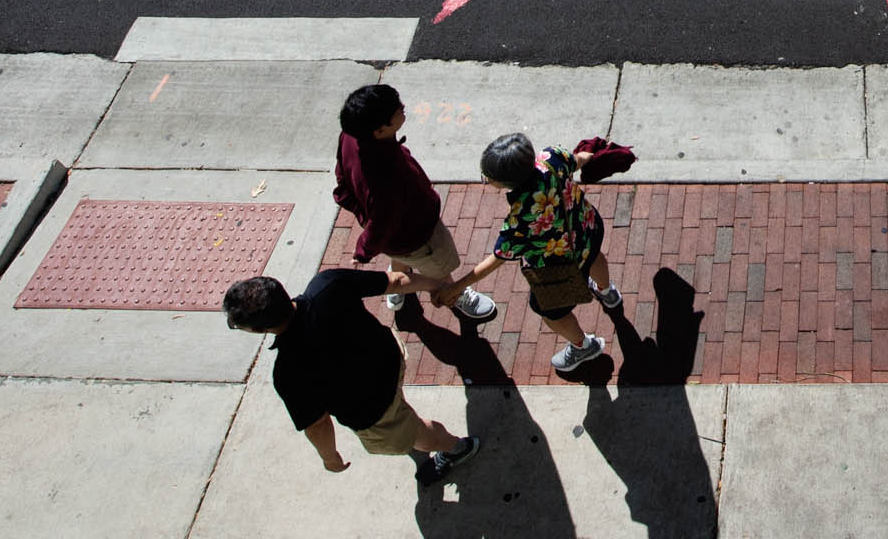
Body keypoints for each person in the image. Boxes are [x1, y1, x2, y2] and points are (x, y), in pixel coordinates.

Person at [224, 271, 481, 487]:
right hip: (390, 357)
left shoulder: (287, 373)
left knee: (415, 432)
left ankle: (457, 448)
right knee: (403, 411)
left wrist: (330, 457)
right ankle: (415, 426)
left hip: (375, 411)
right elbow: (397, 281)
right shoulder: (328, 284)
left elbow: (318, 425)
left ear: (260, 330)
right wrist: (438, 285)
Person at [451, 133, 621, 373]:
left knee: (551, 313)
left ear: (507, 183)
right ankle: (608, 293)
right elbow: (580, 158)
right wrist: (593, 154)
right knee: (594, 256)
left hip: (561, 265)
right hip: (586, 226)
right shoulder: (551, 157)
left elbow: (498, 257)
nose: (487, 180)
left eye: (488, 178)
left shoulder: (521, 216)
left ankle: (584, 347)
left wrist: (457, 286)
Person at [332, 84, 496, 324]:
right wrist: (364, 251)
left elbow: (341, 184)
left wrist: (363, 218)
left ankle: (398, 284)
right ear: (379, 130)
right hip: (419, 235)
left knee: (403, 255)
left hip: (396, 239)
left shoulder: (351, 136)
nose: (403, 107)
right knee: (439, 269)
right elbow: (380, 224)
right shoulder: (386, 179)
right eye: (397, 108)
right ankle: (454, 293)